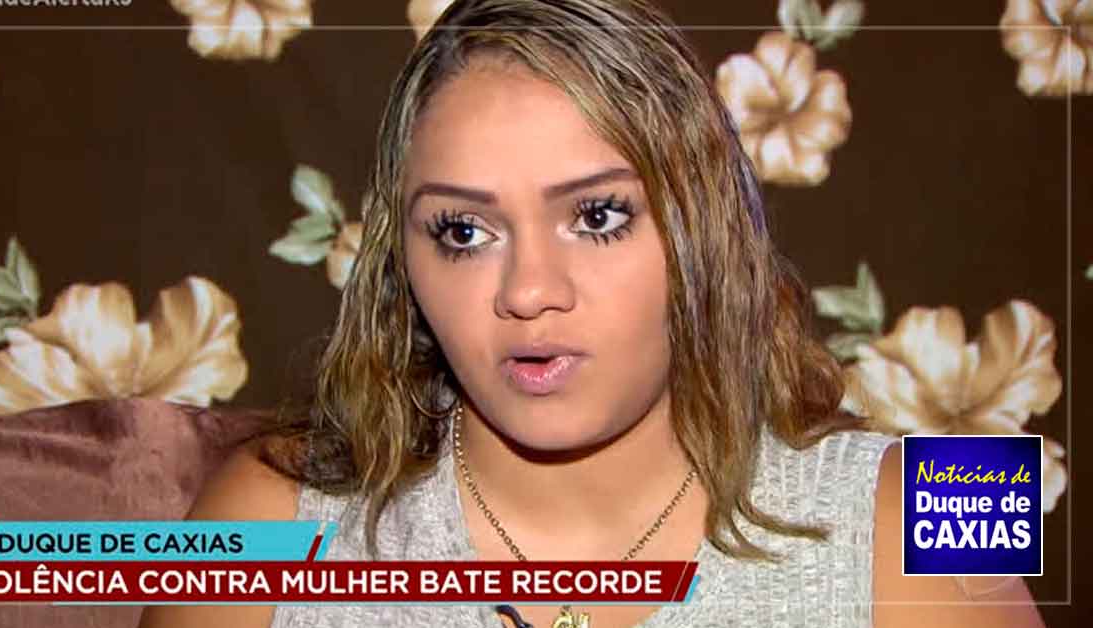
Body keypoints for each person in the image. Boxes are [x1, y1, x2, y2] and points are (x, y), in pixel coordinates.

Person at [140, 1, 1048, 626]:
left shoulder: (940, 510)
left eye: (598, 216)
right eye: (463, 231)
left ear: (701, 228)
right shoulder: (264, 523)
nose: (529, 290)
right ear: (402, 264)